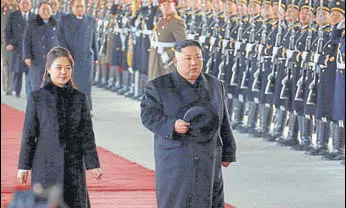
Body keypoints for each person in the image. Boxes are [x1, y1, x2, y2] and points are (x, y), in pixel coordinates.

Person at [140, 40, 236, 208]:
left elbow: (223, 121)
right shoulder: (159, 86)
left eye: (198, 57)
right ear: (176, 61)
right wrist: (171, 125)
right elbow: (148, 116)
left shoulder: (215, 85)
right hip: (176, 157)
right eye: (188, 58)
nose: (194, 63)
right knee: (178, 201)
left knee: (209, 200)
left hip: (209, 156)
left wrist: (228, 151)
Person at [17, 46, 102, 208]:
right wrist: (23, 166)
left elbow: (86, 134)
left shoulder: (80, 98)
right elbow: (29, 135)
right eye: (59, 67)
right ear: (48, 69)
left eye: (68, 68)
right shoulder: (37, 98)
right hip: (45, 166)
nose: (64, 72)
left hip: (73, 166)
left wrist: (93, 164)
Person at [57, 0, 98, 112]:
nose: (80, 9)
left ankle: (86, 108)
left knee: (86, 84)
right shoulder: (65, 20)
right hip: (71, 57)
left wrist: (96, 57)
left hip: (86, 58)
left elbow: (94, 40)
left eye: (82, 6)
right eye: (77, 6)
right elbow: (60, 38)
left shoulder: (91, 20)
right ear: (72, 7)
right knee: (71, 83)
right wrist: (66, 54)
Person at [23, 1, 59, 92]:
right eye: (43, 9)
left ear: (52, 11)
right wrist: (27, 56)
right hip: (36, 60)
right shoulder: (31, 24)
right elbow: (26, 41)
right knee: (36, 86)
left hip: (52, 61)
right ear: (39, 11)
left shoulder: (57, 24)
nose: (46, 12)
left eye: (48, 9)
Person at [147, 0, 187, 81]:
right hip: (156, 56)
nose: (165, 7)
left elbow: (182, 43)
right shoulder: (161, 19)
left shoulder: (177, 21)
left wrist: (170, 54)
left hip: (167, 58)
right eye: (163, 5)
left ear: (175, 5)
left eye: (169, 4)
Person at [4, 0, 35, 98]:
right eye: (23, 3)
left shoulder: (34, 17)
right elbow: (7, 31)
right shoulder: (13, 15)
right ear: (20, 5)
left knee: (30, 72)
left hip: (30, 49)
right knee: (17, 71)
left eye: (27, 3)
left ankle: (29, 93)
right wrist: (8, 43)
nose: (25, 5)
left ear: (30, 5)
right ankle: (16, 91)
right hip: (17, 47)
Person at [1, 0, 19, 96]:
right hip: (5, 41)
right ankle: (8, 87)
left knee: (17, 64)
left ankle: (16, 86)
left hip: (18, 41)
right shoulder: (3, 8)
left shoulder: (18, 7)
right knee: (7, 64)